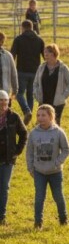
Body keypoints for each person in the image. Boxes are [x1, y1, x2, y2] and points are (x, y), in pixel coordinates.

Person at [26, 104, 69, 229]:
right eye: (38, 115)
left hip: (55, 172)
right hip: (39, 172)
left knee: (58, 197)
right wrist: (30, 168)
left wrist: (57, 162)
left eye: (44, 115)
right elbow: (29, 152)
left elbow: (66, 150)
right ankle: (38, 222)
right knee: (39, 198)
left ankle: (63, 219)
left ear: (51, 117)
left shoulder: (58, 132)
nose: (40, 118)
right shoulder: (33, 133)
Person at [0, 90, 26, 225]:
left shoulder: (14, 117)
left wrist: (17, 151)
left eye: (5, 100)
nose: (3, 103)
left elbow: (23, 134)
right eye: (0, 100)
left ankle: (1, 216)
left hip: (8, 159)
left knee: (4, 187)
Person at [11, 20, 44, 125]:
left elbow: (12, 55)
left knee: (19, 93)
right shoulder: (39, 40)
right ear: (32, 27)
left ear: (23, 27)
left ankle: (27, 111)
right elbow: (45, 55)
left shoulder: (18, 39)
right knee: (30, 95)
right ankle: (28, 114)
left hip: (21, 71)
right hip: (35, 71)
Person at [33, 44, 69, 126]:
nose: (45, 55)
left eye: (47, 53)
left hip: (57, 102)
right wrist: (36, 94)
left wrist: (63, 96)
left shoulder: (63, 68)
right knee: (42, 123)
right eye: (44, 53)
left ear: (54, 53)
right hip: (43, 101)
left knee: (55, 123)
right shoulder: (41, 67)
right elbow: (35, 83)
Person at [0, 33, 19, 124]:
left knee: (4, 113)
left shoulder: (7, 56)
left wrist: (15, 89)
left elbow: (13, 73)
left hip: (4, 89)